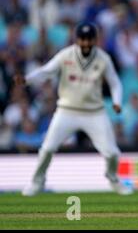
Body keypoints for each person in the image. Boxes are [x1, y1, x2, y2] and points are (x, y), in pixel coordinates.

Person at [15, 22, 132, 196]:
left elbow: (115, 83)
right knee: (47, 149)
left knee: (112, 153)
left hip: (94, 112)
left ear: (95, 40)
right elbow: (46, 71)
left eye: (89, 40)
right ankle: (37, 182)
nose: (85, 43)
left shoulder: (103, 58)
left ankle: (113, 179)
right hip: (67, 110)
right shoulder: (66, 55)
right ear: (77, 39)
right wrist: (28, 79)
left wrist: (116, 102)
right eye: (82, 39)